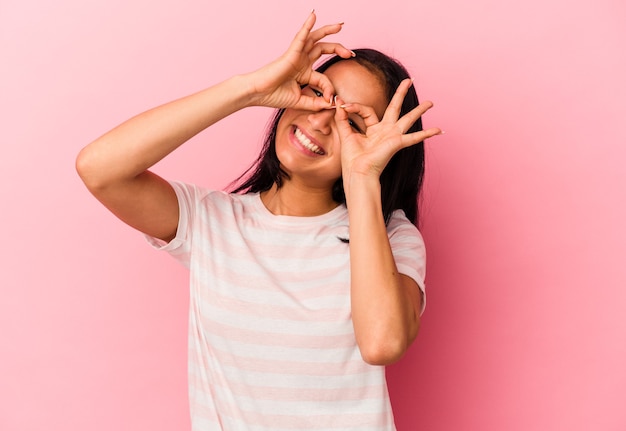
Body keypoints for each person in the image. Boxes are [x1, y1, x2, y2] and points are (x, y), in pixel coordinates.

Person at [76, 11, 441, 431]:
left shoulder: (392, 237)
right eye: (320, 94)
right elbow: (99, 169)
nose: (321, 121)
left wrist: (362, 176)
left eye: (353, 122)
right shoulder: (211, 221)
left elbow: (383, 343)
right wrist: (251, 89)